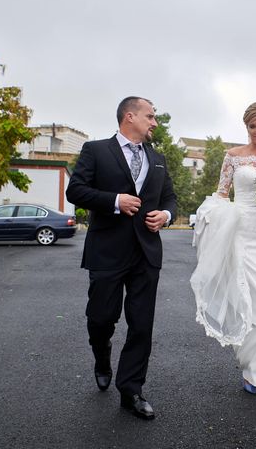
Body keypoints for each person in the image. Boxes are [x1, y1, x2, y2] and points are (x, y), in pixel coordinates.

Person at [66, 96, 177, 420]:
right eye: (150, 116)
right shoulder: (96, 150)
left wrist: (166, 215)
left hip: (146, 252)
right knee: (101, 319)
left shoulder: (158, 159)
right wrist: (114, 200)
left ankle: (131, 390)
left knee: (141, 325)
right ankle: (102, 357)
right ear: (130, 116)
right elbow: (76, 191)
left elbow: (169, 196)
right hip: (107, 250)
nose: (155, 122)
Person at [190, 101, 256, 394]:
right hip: (244, 235)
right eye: (252, 126)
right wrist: (213, 217)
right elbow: (223, 194)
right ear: (246, 127)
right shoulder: (233, 157)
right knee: (250, 302)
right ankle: (253, 370)